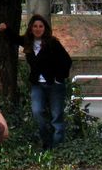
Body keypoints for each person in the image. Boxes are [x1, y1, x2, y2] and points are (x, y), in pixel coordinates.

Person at [21, 14, 72, 150]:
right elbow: (14, 38)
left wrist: (59, 78)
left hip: (54, 85)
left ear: (45, 28)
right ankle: (47, 144)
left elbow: (67, 60)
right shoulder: (28, 43)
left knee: (57, 117)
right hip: (37, 85)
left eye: (41, 26)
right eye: (35, 26)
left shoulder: (52, 43)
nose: (38, 29)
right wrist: (5, 28)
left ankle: (57, 149)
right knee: (37, 112)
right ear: (31, 28)